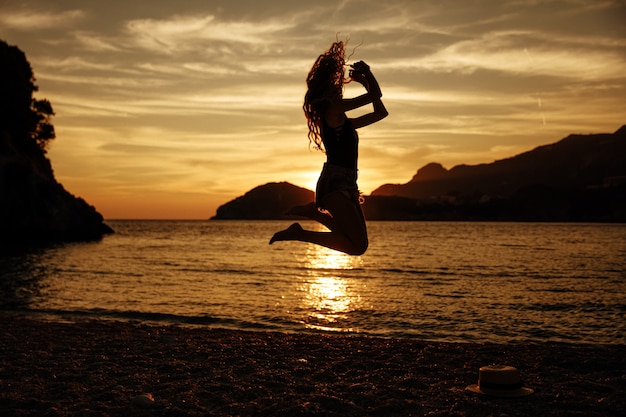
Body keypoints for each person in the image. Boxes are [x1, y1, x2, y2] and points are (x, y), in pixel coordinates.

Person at [269, 40, 388, 255]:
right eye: (336, 86)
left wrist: (364, 81)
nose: (339, 88)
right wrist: (367, 75)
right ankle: (299, 232)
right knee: (357, 246)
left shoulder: (345, 122)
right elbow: (375, 95)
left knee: (357, 244)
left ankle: (312, 216)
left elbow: (381, 112)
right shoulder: (332, 109)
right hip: (334, 183)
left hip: (348, 183)